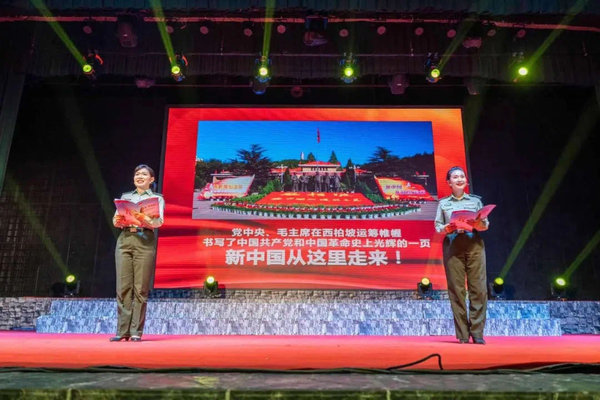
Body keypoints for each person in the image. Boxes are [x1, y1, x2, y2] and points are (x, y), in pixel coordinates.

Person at [434, 166, 489, 345]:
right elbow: (438, 226)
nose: (459, 179)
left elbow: (485, 225)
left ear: (466, 180)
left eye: (462, 176)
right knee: (457, 290)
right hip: (453, 245)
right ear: (449, 182)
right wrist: (446, 228)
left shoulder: (475, 201)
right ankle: (463, 334)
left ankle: (478, 332)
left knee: (479, 289)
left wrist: (478, 222)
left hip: (474, 244)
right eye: (455, 177)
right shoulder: (443, 203)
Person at [111, 164, 165, 342]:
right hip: (125, 240)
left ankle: (135, 331)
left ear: (151, 180)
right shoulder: (126, 197)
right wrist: (118, 220)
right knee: (123, 287)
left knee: (140, 288)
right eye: (137, 174)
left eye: (144, 174)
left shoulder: (157, 198)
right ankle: (122, 330)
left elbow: (158, 223)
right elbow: (116, 222)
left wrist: (145, 218)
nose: (139, 176)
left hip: (144, 240)